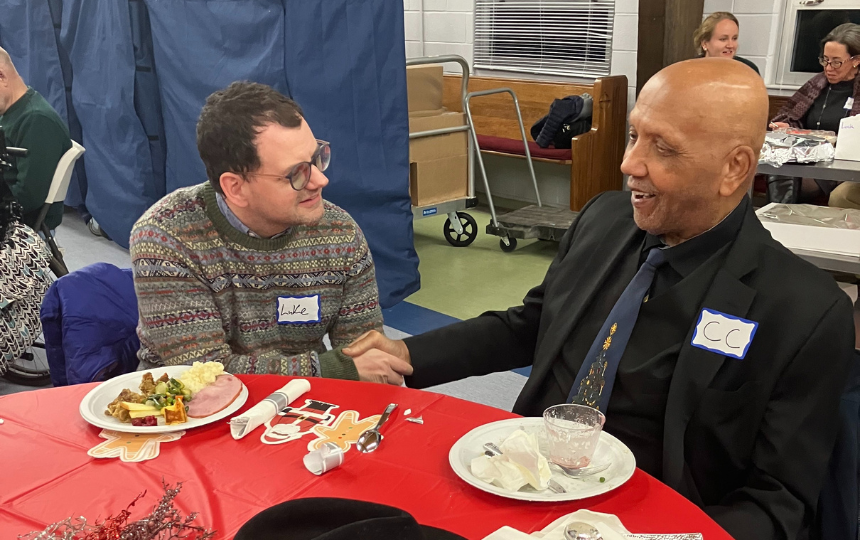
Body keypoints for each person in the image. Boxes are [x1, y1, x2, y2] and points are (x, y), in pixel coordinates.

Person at [345, 59, 856, 540]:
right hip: (521, 480)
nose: (629, 162)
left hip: (650, 519)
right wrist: (411, 354)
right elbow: (532, 324)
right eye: (635, 136)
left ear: (734, 169)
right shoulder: (605, 221)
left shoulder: (801, 312)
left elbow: (779, 502)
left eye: (663, 148)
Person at [129, 81, 411, 383]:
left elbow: (365, 354)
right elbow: (205, 374)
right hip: (188, 416)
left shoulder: (339, 232)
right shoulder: (166, 237)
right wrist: (333, 369)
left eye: (316, 158)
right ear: (235, 188)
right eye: (296, 173)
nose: (320, 180)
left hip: (305, 408)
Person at [770, 23, 860, 208]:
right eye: (825, 60)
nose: (828, 68)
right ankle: (777, 218)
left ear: (856, 60)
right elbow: (789, 117)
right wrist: (787, 128)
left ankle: (775, 217)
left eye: (836, 61)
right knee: (779, 166)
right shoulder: (816, 84)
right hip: (807, 156)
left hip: (841, 164)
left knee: (784, 173)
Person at [0, 47, 72, 232]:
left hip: (22, 229)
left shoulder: (37, 121)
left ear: (2, 77)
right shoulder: (9, 112)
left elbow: (27, 197)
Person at [693, 12, 760, 75]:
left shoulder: (749, 70)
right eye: (723, 39)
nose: (730, 45)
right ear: (705, 43)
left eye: (734, 38)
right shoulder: (689, 70)